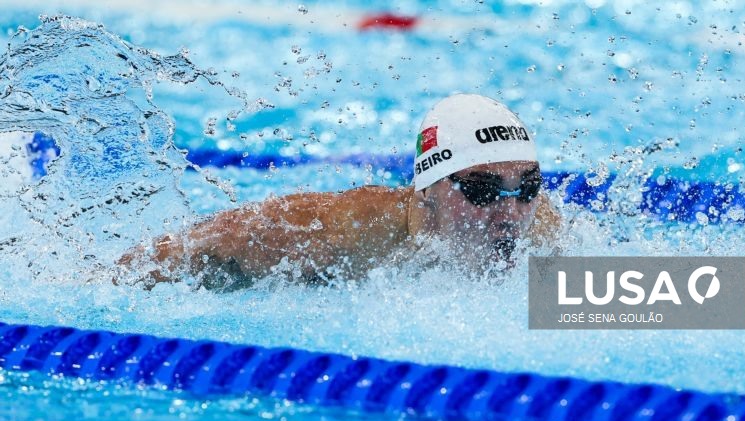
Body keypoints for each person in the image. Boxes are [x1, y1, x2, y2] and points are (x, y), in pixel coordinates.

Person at [116, 94, 561, 289]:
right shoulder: (346, 232)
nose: (509, 211)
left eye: (527, 187)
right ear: (426, 189)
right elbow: (200, 248)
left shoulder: (542, 232)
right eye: (483, 190)